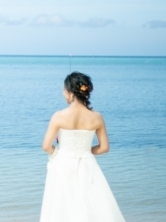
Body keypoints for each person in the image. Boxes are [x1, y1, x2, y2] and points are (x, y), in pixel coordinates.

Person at [39, 71, 126, 222]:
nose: (63, 93)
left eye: (64, 90)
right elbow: (104, 147)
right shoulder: (97, 117)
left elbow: (46, 146)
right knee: (91, 205)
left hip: (63, 164)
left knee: (63, 207)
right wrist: (86, 152)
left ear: (71, 93)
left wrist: (58, 153)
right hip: (88, 163)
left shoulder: (59, 116)